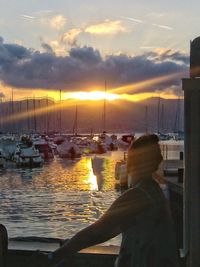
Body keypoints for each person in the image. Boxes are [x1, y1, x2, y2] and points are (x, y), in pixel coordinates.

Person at [46, 134, 179, 267]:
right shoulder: (155, 192)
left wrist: (55, 256)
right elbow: (109, 230)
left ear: (132, 162)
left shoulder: (139, 195)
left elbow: (98, 230)